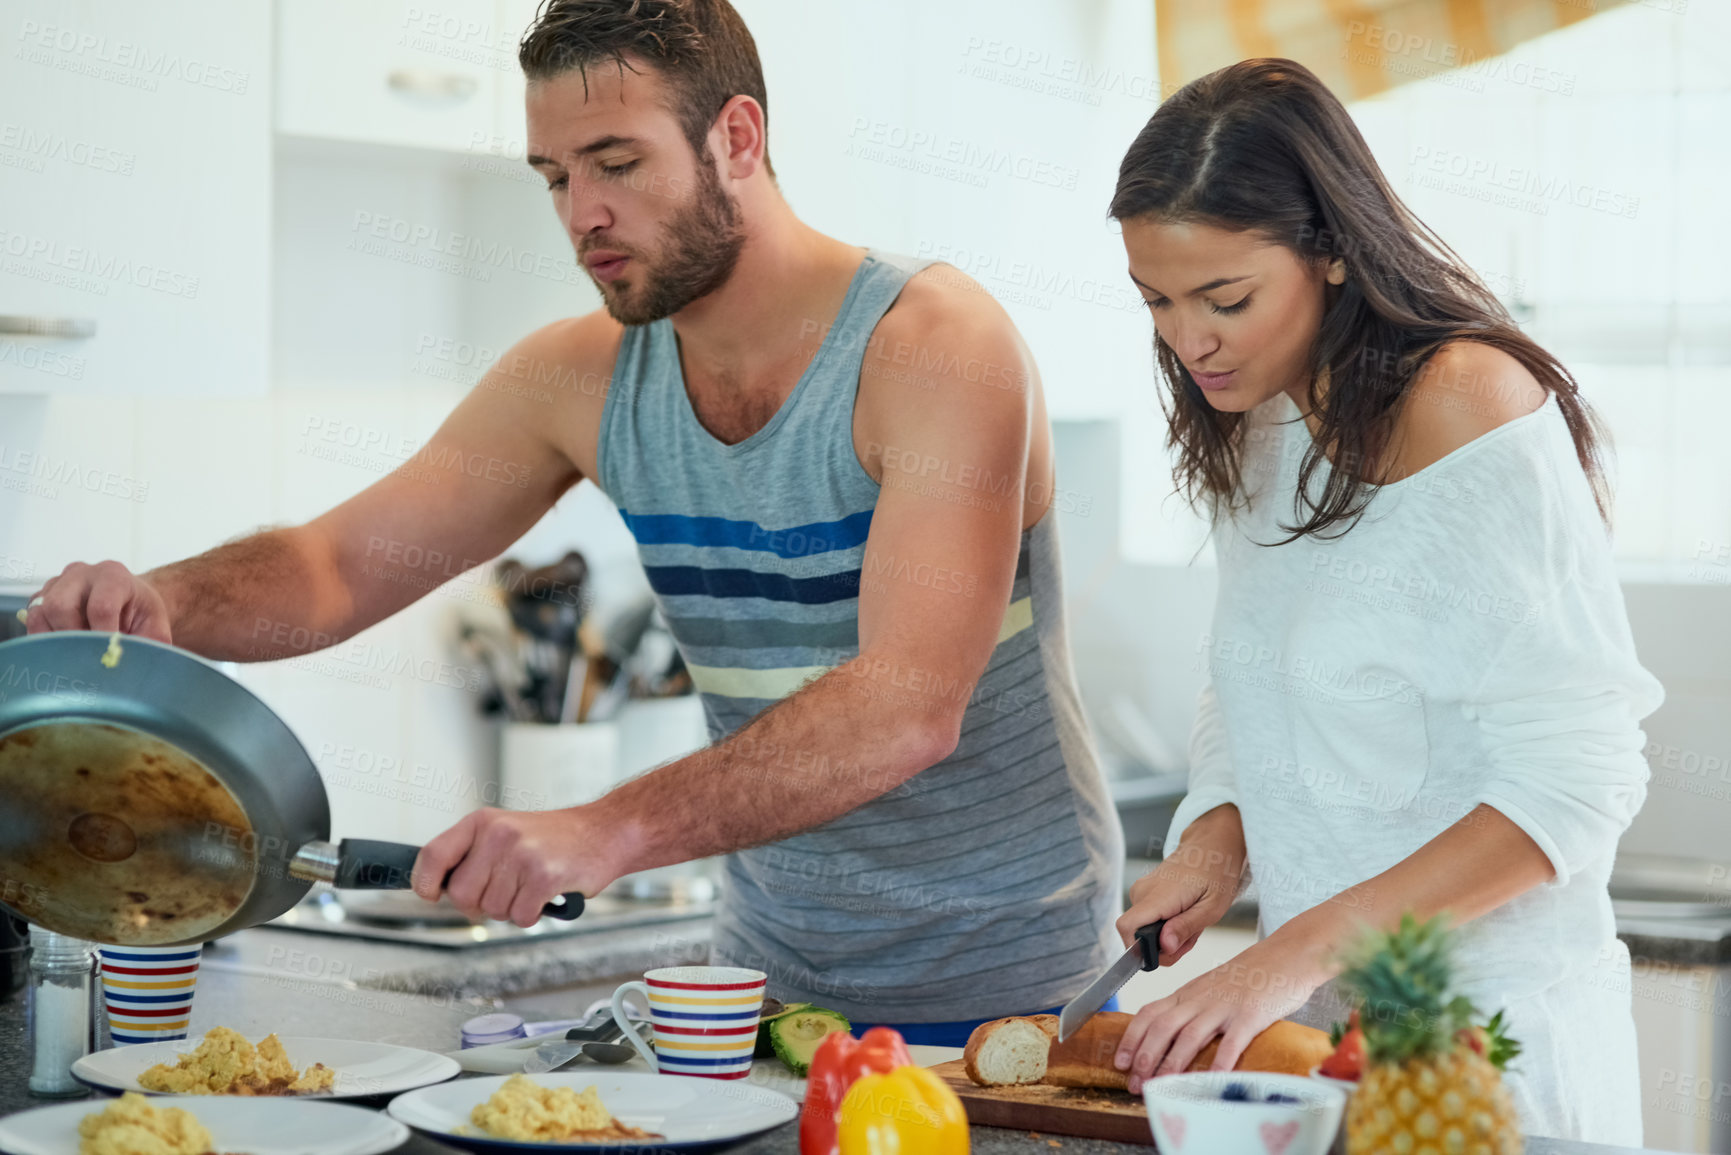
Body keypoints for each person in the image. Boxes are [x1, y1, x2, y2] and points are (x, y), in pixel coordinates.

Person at [20, 0, 1124, 1043]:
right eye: (554, 175)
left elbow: (906, 706)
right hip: (765, 982)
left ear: (736, 137)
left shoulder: (932, 347)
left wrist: (600, 830)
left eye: (617, 163)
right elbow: (335, 567)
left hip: (1008, 988)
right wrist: (158, 603)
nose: (580, 212)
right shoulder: (577, 376)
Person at [1105, 59, 1659, 1143]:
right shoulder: (1260, 406)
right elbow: (1251, 672)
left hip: (1489, 1050)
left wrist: (1287, 950)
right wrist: (1217, 837)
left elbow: (1582, 775)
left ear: (1335, 252)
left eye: (1226, 299)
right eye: (1157, 301)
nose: (1189, 341)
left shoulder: (1469, 403)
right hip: (1320, 1042)